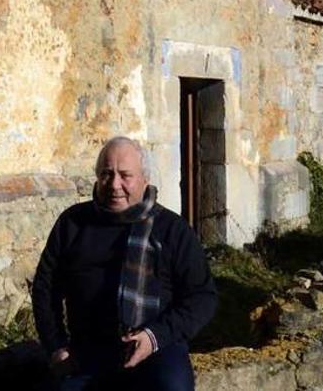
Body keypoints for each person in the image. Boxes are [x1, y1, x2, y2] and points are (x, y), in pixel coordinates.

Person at [31, 136, 217, 390]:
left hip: (157, 348)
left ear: (145, 178)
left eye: (125, 175)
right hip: (87, 350)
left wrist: (154, 337)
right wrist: (56, 346)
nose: (114, 185)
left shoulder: (172, 230)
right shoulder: (73, 223)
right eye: (106, 174)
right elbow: (45, 287)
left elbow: (202, 297)